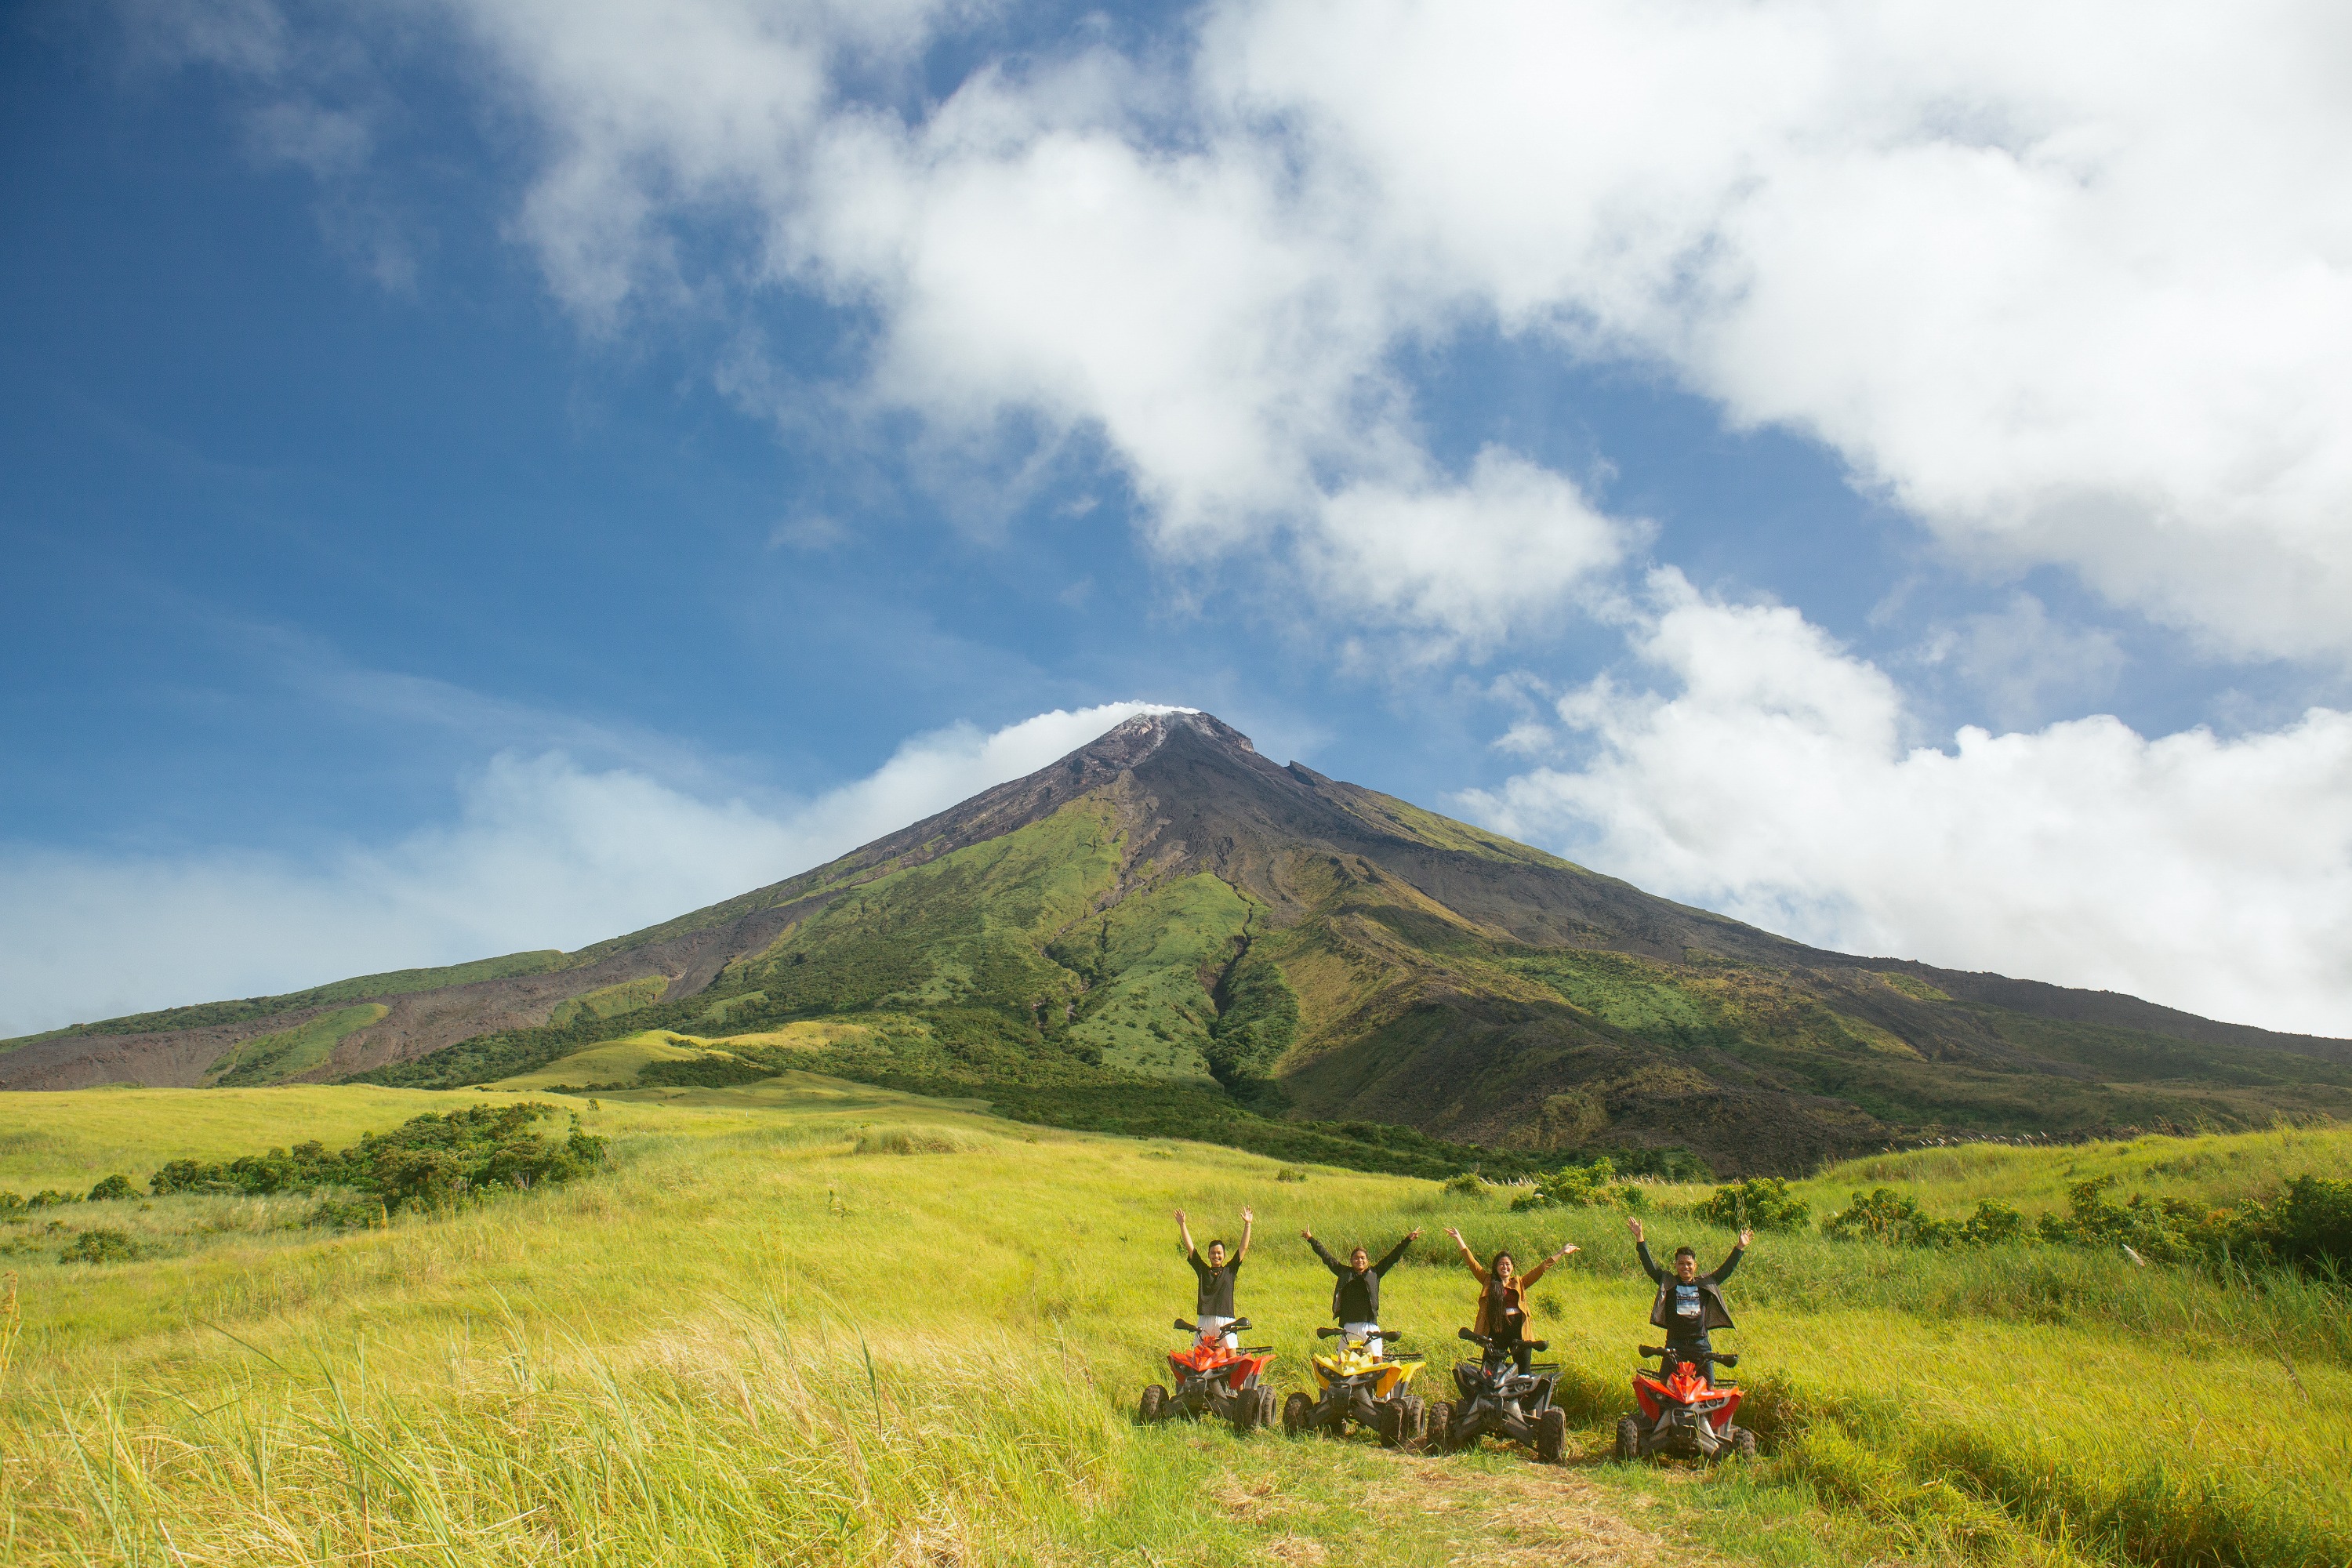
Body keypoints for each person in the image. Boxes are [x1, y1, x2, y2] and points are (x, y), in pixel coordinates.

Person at [1627, 1214, 1751, 1376]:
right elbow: (1651, 1267)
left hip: (1700, 1345)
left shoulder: (1705, 1284)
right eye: (1681, 1264)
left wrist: (1740, 1247)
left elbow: (1726, 1270)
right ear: (1676, 1266)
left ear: (1695, 1266)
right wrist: (1639, 1237)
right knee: (1665, 1384)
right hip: (1674, 1344)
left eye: (1689, 1264)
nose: (1685, 1267)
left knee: (1709, 1386)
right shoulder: (1669, 1282)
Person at [1443, 1226, 1577, 1373]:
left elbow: (1541, 1269)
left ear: (1512, 1267)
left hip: (1518, 1330)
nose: (1504, 1267)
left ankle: (1523, 1394)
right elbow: (1472, 1263)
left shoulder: (1520, 1282)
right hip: (1497, 1329)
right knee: (1488, 1372)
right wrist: (1459, 1239)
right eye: (1501, 1264)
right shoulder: (1488, 1280)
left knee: (1523, 1373)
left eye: (1507, 1264)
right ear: (1495, 1267)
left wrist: (1561, 1253)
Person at [1301, 1225, 1421, 1356]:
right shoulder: (1344, 1272)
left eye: (1363, 1258)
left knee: (1377, 1357)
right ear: (1351, 1261)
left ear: (1367, 1261)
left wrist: (1408, 1240)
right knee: (1341, 1358)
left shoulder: (1375, 1273)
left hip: (1369, 1325)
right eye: (1356, 1258)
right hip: (1349, 1326)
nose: (1360, 1260)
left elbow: (1393, 1257)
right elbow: (1326, 1257)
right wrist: (1311, 1239)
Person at [1176, 1207, 1253, 1348]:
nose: (1216, 1256)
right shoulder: (1203, 1270)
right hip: (1205, 1319)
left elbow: (1243, 1248)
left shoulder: (1230, 1270)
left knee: (1231, 1354)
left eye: (1219, 1253)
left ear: (1224, 1255)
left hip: (1226, 1319)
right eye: (1213, 1253)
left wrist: (1248, 1224)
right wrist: (1183, 1225)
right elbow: (1190, 1248)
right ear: (1208, 1255)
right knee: (1199, 1355)